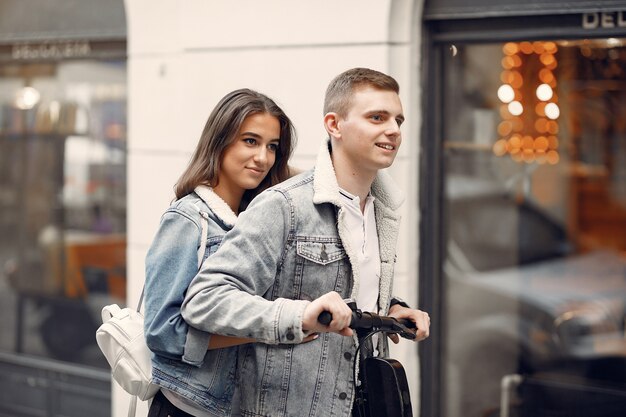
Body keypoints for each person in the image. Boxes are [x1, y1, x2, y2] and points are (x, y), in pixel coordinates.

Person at [181, 68, 431, 417]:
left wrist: (390, 310)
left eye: (398, 120)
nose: (393, 130)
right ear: (334, 125)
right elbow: (204, 300)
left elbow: (347, 291)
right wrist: (299, 315)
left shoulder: (382, 211)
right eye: (377, 117)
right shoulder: (283, 205)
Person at [143, 88, 298, 417]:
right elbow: (162, 332)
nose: (263, 158)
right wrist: (265, 329)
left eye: (272, 147)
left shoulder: (259, 222)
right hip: (186, 407)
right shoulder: (187, 220)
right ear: (220, 141)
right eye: (250, 141)